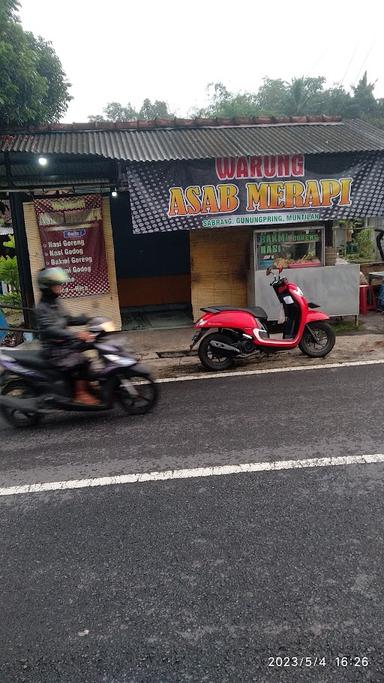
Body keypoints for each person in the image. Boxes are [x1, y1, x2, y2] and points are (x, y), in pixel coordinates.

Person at [34, 267, 100, 405]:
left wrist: (87, 319)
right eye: (56, 285)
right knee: (82, 361)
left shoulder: (55, 303)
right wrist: (76, 334)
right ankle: (80, 393)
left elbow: (68, 319)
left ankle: (85, 381)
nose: (60, 287)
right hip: (54, 349)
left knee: (93, 343)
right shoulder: (41, 309)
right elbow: (51, 330)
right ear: (47, 287)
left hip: (63, 343)